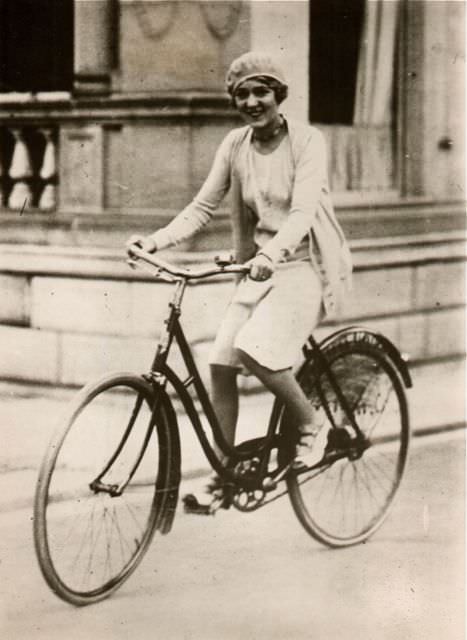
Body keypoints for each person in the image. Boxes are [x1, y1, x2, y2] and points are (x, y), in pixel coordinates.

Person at [127, 51, 352, 510]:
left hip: (301, 266)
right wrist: (155, 242)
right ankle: (226, 477)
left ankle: (315, 427)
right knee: (220, 363)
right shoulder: (234, 145)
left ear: (278, 96)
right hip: (258, 267)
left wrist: (272, 253)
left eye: (261, 91)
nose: (252, 101)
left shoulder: (308, 142)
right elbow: (202, 206)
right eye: (242, 93)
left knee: (256, 347)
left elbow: (302, 212)